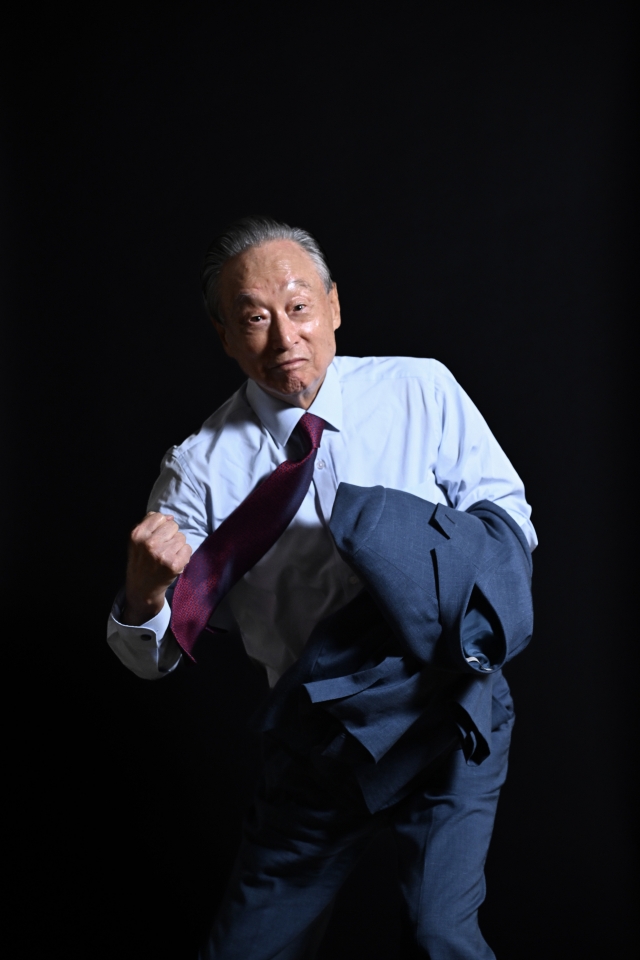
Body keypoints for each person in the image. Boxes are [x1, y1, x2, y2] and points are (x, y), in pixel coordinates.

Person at [108, 216, 537, 959]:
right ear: (225, 336)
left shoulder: (419, 388)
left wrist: (466, 624)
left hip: (446, 713)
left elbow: (509, 525)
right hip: (319, 740)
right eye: (255, 319)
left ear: (334, 306)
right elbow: (151, 657)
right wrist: (143, 596)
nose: (284, 339)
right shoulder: (199, 469)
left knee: (441, 936)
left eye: (299, 308)